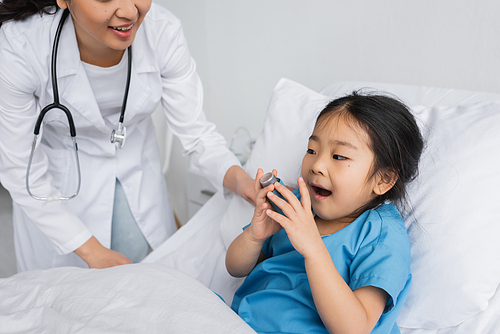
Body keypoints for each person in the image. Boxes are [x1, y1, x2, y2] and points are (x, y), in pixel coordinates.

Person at [0, 0, 255, 272]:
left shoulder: (162, 30)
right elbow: (19, 168)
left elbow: (197, 132)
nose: (130, 12)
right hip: (59, 199)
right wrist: (91, 250)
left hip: (140, 180)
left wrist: (240, 180)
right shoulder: (20, 45)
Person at [225, 92, 424, 334]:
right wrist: (254, 238)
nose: (317, 165)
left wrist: (314, 250)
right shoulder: (298, 203)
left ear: (383, 180)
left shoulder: (381, 236)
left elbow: (354, 328)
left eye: (339, 156)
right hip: (240, 322)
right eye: (312, 150)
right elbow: (235, 268)